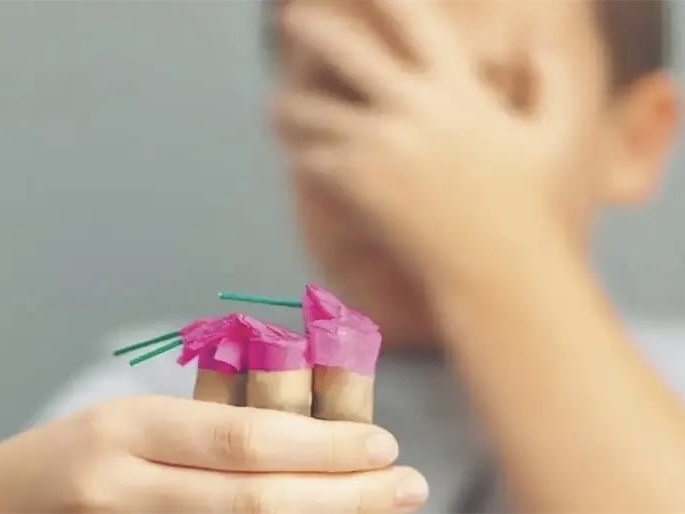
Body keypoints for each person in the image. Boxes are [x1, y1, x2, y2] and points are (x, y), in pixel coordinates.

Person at [0, 1, 683, 512]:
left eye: (490, 95)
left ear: (634, 139)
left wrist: (492, 245)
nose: (403, 157)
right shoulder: (160, 404)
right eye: (347, 91)